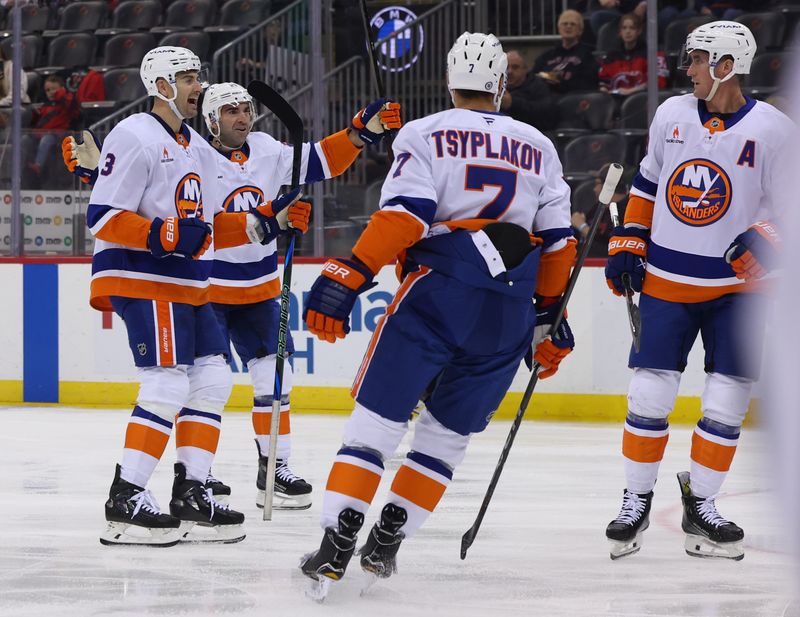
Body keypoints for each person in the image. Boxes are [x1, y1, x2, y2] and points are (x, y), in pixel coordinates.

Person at [297, 32, 576, 595]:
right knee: (446, 437)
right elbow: (559, 243)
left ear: (450, 83)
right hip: (509, 307)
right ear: (501, 83)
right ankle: (390, 537)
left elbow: (406, 217)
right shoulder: (538, 143)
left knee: (375, 425)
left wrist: (351, 271)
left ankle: (337, 539)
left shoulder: (424, 132)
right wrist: (549, 317)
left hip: (439, 289)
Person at [64, 46, 310, 547]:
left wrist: (267, 224)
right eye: (188, 78)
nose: (199, 86)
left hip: (187, 284)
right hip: (144, 277)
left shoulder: (195, 146)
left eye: (199, 77)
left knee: (213, 378)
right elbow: (105, 216)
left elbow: (211, 226)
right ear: (160, 86)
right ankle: (126, 497)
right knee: (167, 383)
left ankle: (191, 492)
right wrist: (165, 235)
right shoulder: (135, 133)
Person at [603, 21, 791, 561]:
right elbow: (647, 181)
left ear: (727, 65)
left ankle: (701, 504)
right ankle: (634, 500)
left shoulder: (776, 131)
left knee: (727, 399)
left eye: (697, 60)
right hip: (667, 279)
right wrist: (629, 238)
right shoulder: (671, 114)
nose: (686, 70)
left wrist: (769, 236)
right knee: (649, 394)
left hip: (740, 290)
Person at [198, 82, 401, 510]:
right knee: (206, 387)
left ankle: (275, 468)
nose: (242, 116)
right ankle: (197, 475)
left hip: (259, 291)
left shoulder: (268, 149)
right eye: (231, 110)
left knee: (277, 377)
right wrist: (272, 218)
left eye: (246, 109)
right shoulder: (193, 156)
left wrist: (359, 134)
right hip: (209, 289)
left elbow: (321, 160)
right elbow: (202, 223)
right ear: (212, 120)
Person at [598, 13, 668, 97]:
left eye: (632, 28)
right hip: (615, 100)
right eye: (624, 28)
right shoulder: (611, 56)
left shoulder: (653, 53)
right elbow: (604, 82)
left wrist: (632, 91)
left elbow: (659, 82)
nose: (628, 31)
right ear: (620, 31)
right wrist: (604, 91)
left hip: (642, 99)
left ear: (639, 31)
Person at [532, 9, 599, 95]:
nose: (568, 26)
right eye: (565, 24)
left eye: (573, 24)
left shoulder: (588, 55)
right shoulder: (547, 55)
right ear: (559, 29)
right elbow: (533, 77)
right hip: (545, 95)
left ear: (580, 30)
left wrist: (560, 83)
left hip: (571, 98)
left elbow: (588, 84)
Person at [26, 74, 79, 179]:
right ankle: (21, 167)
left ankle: (38, 165)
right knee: (24, 139)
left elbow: (72, 105)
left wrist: (60, 94)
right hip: (42, 134)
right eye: (47, 90)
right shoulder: (46, 105)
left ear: (62, 89)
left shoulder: (67, 101)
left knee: (47, 139)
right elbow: (38, 123)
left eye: (54, 89)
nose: (50, 92)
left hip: (59, 135)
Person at [500, 50, 559, 131]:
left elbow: (545, 115)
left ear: (525, 69)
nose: (509, 71)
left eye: (515, 67)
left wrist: (512, 103)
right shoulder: (496, 85)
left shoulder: (538, 87)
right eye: (506, 67)